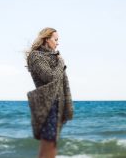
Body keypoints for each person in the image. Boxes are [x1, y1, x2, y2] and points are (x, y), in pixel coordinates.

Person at [25, 27, 74, 158]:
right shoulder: (36, 56)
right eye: (55, 40)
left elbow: (64, 84)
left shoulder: (55, 57)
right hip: (47, 105)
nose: (58, 43)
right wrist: (61, 63)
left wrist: (66, 108)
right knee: (47, 147)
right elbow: (50, 77)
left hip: (58, 105)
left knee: (51, 146)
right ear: (46, 39)